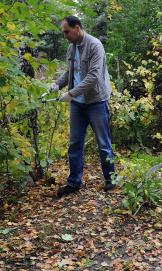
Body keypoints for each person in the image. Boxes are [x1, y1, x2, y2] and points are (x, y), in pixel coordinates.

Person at [48, 16, 116, 198]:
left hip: (96, 102)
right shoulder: (71, 48)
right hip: (78, 104)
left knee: (103, 143)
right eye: (63, 32)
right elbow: (70, 72)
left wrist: (70, 94)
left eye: (66, 32)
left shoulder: (95, 45)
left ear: (77, 28)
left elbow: (93, 76)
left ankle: (111, 180)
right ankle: (74, 182)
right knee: (75, 143)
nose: (65, 36)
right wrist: (57, 84)